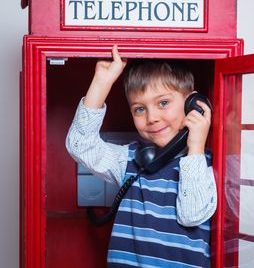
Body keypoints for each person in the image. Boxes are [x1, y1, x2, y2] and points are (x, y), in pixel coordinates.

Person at [66, 45, 217, 267]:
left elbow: (191, 215)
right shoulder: (130, 159)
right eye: (139, 109)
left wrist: (195, 147)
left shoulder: (202, 164)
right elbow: (80, 146)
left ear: (193, 104)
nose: (152, 117)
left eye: (163, 103)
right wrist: (102, 82)